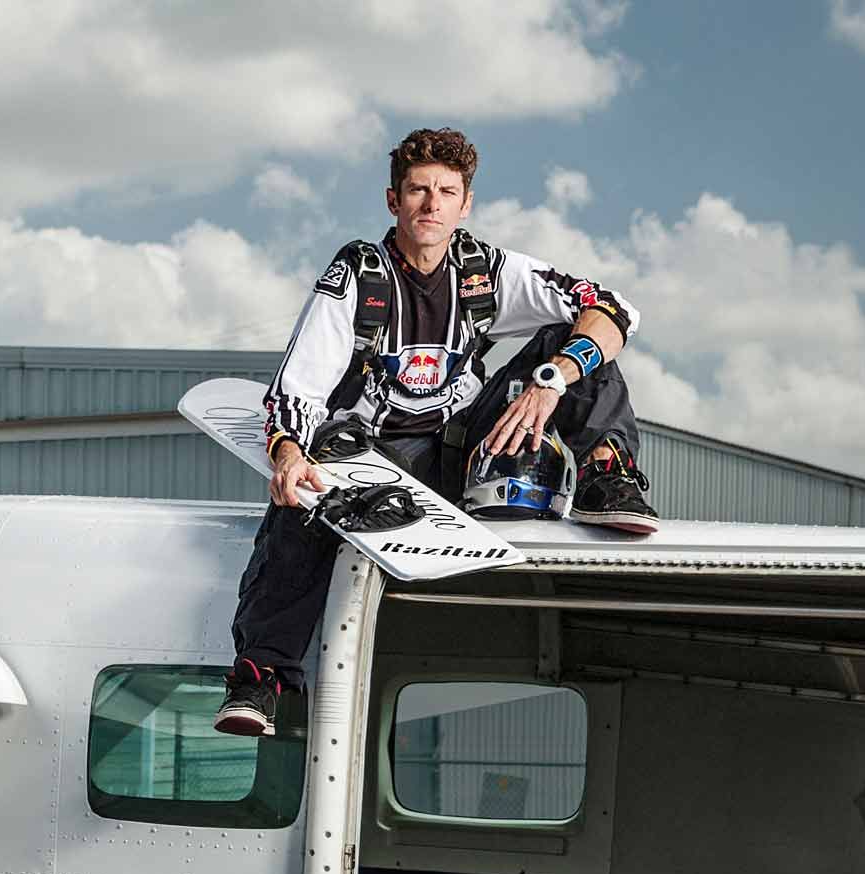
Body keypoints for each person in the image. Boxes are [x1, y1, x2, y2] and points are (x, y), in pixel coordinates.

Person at [214, 127, 655, 738]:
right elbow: (299, 384)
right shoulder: (358, 275)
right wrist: (288, 452)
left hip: (463, 448)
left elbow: (612, 308)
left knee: (574, 346)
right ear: (393, 201)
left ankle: (608, 476)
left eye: (446, 192)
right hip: (372, 454)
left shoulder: (485, 271)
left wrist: (551, 379)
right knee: (301, 508)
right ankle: (259, 679)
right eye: (418, 190)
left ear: (465, 203)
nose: (432, 204)